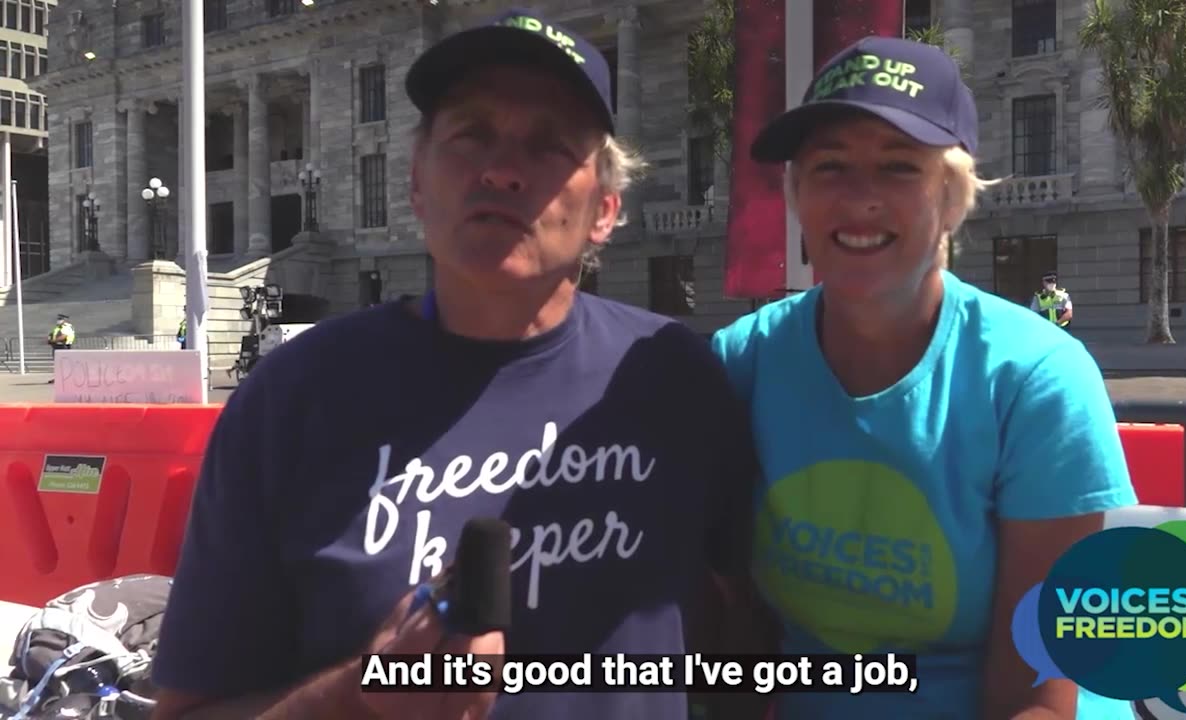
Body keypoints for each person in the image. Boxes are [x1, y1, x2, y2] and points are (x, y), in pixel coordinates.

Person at [149, 8, 763, 720]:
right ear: (415, 185)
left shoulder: (675, 379)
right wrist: (362, 696)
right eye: (471, 135)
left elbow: (741, 641)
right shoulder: (291, 399)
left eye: (548, 145)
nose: (501, 171)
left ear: (605, 210)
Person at [711, 36, 1138, 719]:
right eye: (829, 167)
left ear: (952, 198)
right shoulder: (743, 359)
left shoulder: (1036, 380)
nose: (861, 198)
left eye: (899, 168)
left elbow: (1039, 691)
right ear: (795, 195)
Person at [46, 313, 74, 384]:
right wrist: (50, 339)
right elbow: (53, 334)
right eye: (58, 319)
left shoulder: (66, 327)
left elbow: (63, 336)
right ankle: (59, 378)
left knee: (63, 363)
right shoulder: (58, 327)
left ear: (65, 320)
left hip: (63, 346)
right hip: (57, 346)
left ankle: (66, 378)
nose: (58, 320)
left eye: (60, 319)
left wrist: (53, 340)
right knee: (58, 364)